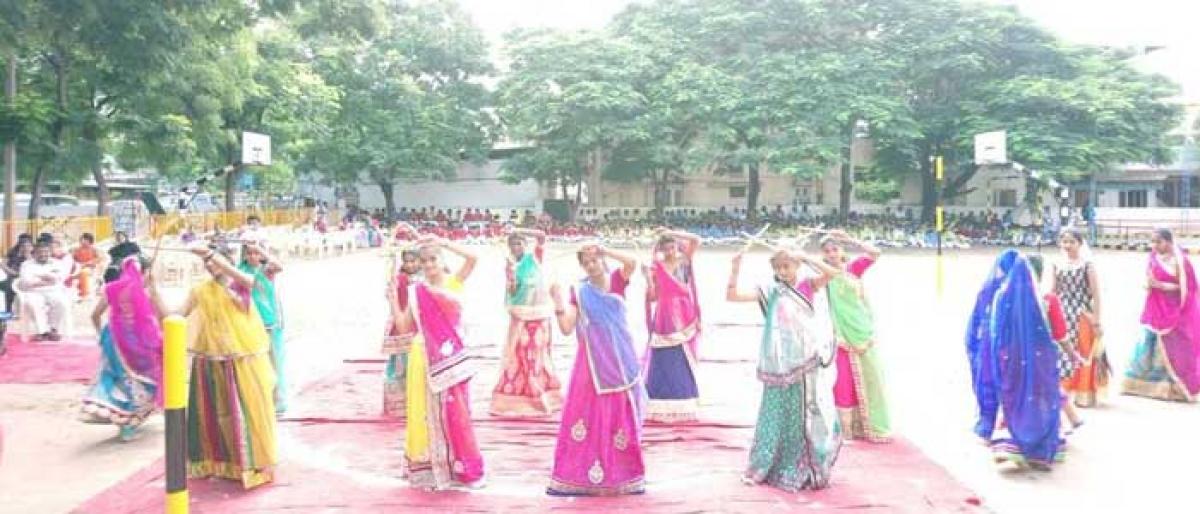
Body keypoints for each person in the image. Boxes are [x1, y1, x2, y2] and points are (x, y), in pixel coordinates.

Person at [726, 246, 841, 491]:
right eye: (778, 267)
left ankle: (803, 465)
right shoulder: (771, 290)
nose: (782, 271)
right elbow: (732, 296)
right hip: (777, 363)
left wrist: (806, 255)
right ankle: (768, 463)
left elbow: (833, 273)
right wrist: (735, 268)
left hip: (804, 362)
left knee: (804, 415)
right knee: (776, 413)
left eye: (787, 266)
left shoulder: (808, 285)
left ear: (796, 266)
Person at [545, 245, 646, 496]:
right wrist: (558, 302)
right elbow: (567, 327)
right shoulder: (579, 292)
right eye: (586, 262)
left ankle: (623, 473)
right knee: (586, 413)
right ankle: (578, 476)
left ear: (603, 259)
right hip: (590, 362)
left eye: (595, 260)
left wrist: (606, 249)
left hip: (619, 359)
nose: (591, 265)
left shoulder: (616, 281)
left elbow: (632, 261)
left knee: (619, 413)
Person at [393, 236, 484, 490]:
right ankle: (429, 467)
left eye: (433, 259)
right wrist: (392, 299)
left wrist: (442, 241)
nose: (429, 265)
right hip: (421, 357)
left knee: (456, 412)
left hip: (452, 360)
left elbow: (473, 258)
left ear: (442, 260)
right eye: (424, 261)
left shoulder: (454, 282)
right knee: (423, 413)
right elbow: (403, 326)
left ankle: (461, 467)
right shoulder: (416, 291)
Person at [183, 245, 277, 489]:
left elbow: (247, 281)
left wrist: (211, 255)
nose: (209, 266)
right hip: (211, 359)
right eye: (206, 263)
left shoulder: (240, 284)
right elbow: (174, 315)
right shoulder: (201, 290)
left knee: (245, 413)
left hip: (241, 360)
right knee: (216, 414)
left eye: (214, 261)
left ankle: (252, 465)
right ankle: (222, 464)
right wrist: (151, 292)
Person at [966, 251, 1063, 470]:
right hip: (1038, 360)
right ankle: (1040, 447)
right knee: (1036, 399)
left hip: (1007, 358)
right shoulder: (1040, 298)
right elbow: (1054, 333)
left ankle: (1008, 444)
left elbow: (991, 332)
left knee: (1010, 397)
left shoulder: (1002, 295)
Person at [79, 255, 167, 441]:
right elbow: (164, 317)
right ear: (143, 272)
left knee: (117, 378)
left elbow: (95, 315)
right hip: (140, 342)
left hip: (114, 341)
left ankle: (118, 419)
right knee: (144, 380)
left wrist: (101, 334)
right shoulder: (146, 294)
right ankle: (131, 422)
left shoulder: (111, 289)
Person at [819, 230, 890, 442]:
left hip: (861, 330)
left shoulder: (854, 269)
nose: (832, 254)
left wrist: (850, 239)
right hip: (839, 335)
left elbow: (875, 253)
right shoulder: (823, 273)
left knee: (872, 377)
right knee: (842, 381)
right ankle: (846, 430)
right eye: (827, 251)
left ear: (842, 251)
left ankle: (873, 427)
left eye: (835, 249)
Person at [490, 228, 563, 417]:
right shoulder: (511, 264)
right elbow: (513, 292)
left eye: (519, 243)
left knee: (537, 355)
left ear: (525, 244)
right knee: (518, 353)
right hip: (519, 315)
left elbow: (541, 236)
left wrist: (517, 230)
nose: (516, 247)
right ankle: (518, 398)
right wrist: (512, 277)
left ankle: (542, 396)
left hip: (538, 316)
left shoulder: (534, 259)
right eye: (513, 244)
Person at [1122, 228, 1200, 402]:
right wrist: (1149, 285)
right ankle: (1143, 386)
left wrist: (1163, 287)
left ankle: (1175, 389)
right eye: (1153, 241)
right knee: (1148, 343)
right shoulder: (1153, 257)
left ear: (1169, 241)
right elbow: (1148, 279)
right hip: (1155, 309)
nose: (1155, 245)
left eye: (1159, 241)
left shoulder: (1181, 262)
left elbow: (1189, 288)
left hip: (1174, 310)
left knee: (1176, 347)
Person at [643, 228, 704, 423]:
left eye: (673, 247)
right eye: (666, 248)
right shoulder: (656, 267)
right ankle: (658, 403)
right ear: (660, 249)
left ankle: (684, 400)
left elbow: (696, 239)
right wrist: (647, 279)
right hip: (664, 315)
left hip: (684, 314)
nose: (670, 252)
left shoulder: (684, 261)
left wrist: (670, 231)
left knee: (682, 356)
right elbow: (653, 297)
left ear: (677, 246)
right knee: (662, 356)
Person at [1052, 229, 1110, 408]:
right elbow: (1053, 292)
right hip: (1062, 313)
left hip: (1082, 314)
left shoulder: (1087, 265)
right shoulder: (1057, 264)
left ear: (1080, 243)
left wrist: (1097, 322)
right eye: (1064, 242)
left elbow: (1096, 295)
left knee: (1083, 352)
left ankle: (1083, 394)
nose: (1067, 246)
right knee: (1061, 353)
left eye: (1071, 242)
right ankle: (1061, 392)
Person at [239, 242, 286, 415]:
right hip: (248, 323)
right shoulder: (240, 271)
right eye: (248, 253)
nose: (252, 257)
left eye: (255, 253)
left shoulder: (267, 270)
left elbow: (279, 266)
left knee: (272, 363)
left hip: (268, 323)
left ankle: (275, 402)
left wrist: (260, 250)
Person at [382, 246, 421, 417]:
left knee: (415, 362)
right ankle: (398, 402)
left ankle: (415, 400)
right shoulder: (400, 278)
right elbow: (391, 294)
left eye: (414, 261)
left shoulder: (423, 278)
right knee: (399, 364)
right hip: (401, 324)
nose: (410, 264)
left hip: (418, 325)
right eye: (407, 261)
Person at [17, 242, 71, 341]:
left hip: (54, 291)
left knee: (62, 302)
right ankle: (42, 332)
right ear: (34, 253)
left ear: (50, 253)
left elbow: (59, 278)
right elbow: (27, 282)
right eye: (40, 252)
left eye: (46, 252)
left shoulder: (57, 263)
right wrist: (48, 278)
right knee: (33, 303)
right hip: (33, 291)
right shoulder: (26, 265)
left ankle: (53, 329)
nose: (43, 254)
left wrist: (38, 276)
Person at [1, 235, 32, 312]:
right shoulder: (12, 251)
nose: (25, 246)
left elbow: (33, 266)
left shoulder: (33, 252)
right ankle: (8, 311)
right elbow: (3, 264)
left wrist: (27, 254)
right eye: (23, 244)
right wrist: (11, 272)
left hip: (26, 278)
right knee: (8, 286)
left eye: (28, 245)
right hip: (12, 276)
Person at [72, 233, 101, 301]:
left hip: (90, 268)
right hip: (78, 267)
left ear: (89, 240)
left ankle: (84, 294)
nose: (83, 241)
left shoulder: (94, 249)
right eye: (82, 239)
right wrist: (77, 264)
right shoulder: (77, 249)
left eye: (85, 239)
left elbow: (98, 259)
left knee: (83, 272)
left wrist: (87, 263)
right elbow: (73, 260)